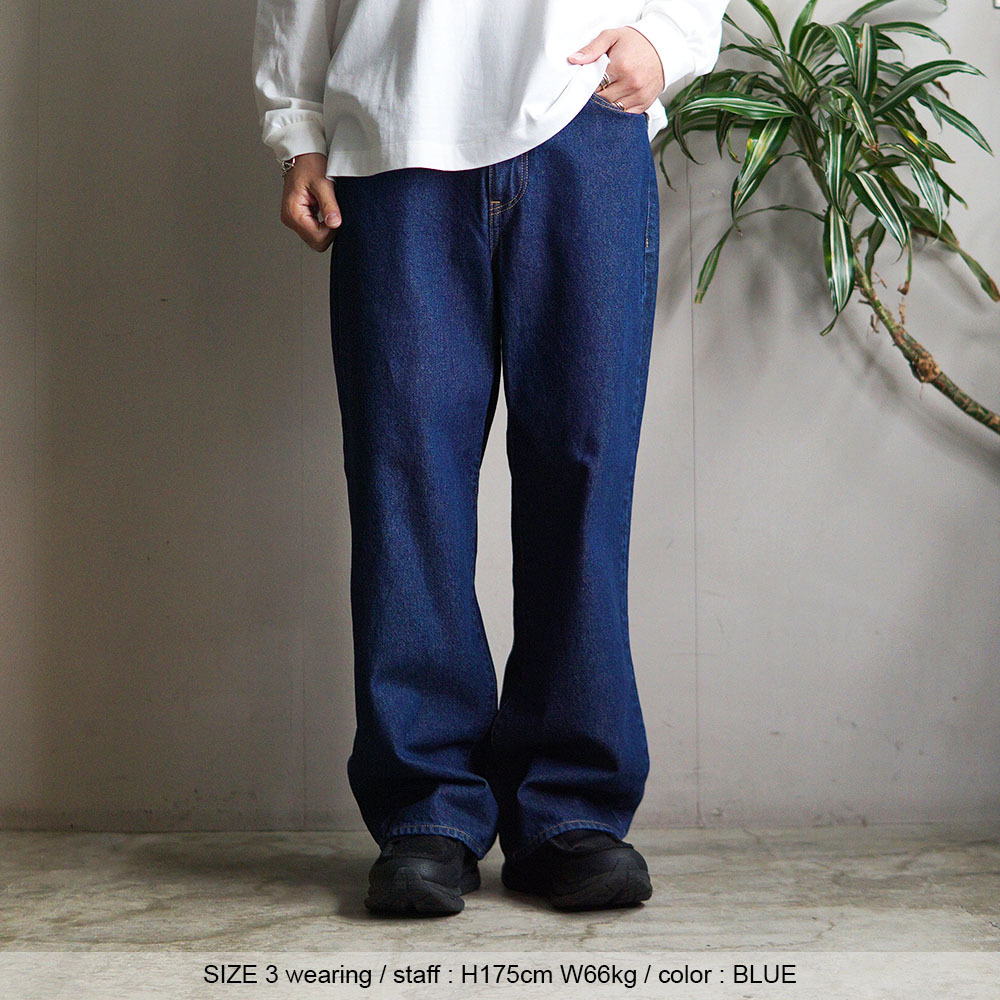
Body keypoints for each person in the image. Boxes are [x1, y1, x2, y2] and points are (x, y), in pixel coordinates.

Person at [253, 0, 730, 916]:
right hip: (395, 127)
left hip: (584, 117)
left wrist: (668, 39)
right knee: (404, 476)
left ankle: (572, 809)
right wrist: (297, 130)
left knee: (582, 469)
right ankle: (426, 810)